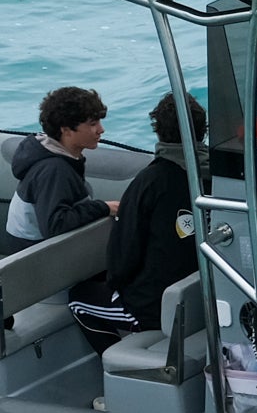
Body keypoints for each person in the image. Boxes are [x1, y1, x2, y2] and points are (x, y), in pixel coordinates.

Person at [73, 93, 208, 348]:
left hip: (152, 308)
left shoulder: (150, 182)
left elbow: (124, 255)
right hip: (203, 299)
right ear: (203, 131)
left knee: (78, 298)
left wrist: (113, 283)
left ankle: (116, 371)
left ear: (158, 131)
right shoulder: (218, 178)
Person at [8, 86, 114, 244]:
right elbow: (55, 225)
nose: (101, 130)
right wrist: (103, 208)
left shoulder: (58, 156)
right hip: (37, 257)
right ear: (66, 130)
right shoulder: (54, 170)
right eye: (93, 124)